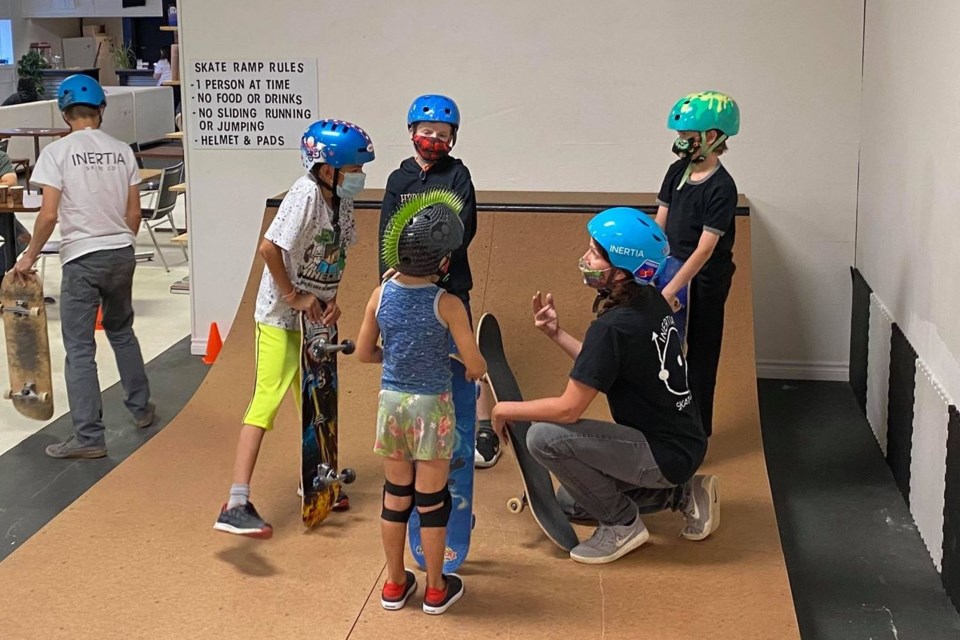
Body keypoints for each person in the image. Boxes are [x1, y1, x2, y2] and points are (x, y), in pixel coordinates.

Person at [490, 207, 718, 565]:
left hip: (660, 453)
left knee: (542, 438)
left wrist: (504, 409)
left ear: (624, 269)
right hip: (683, 443)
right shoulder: (652, 302)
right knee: (570, 502)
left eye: (596, 253)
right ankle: (680, 492)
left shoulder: (614, 326)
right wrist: (556, 333)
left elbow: (569, 408)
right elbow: (601, 364)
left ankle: (622, 525)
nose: (585, 258)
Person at [213, 119, 375, 539]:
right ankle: (235, 502)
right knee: (266, 399)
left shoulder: (341, 201)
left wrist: (329, 299)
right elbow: (269, 248)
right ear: (326, 169)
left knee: (313, 403)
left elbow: (333, 254)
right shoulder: (304, 194)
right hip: (280, 317)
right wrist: (293, 296)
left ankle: (318, 479)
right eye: (353, 170)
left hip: (313, 317)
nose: (359, 178)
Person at [11, 74, 154, 458]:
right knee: (122, 331)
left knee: (79, 349)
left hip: (82, 258)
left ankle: (89, 438)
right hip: (122, 253)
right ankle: (141, 410)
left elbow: (48, 215)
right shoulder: (122, 150)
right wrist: (121, 243)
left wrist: (29, 255)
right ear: (101, 110)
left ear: (64, 112)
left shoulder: (57, 154)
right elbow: (134, 212)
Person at [358, 188, 486, 614]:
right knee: (432, 502)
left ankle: (394, 585)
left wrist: (390, 356)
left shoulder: (380, 295)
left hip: (392, 404)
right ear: (443, 261)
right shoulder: (447, 304)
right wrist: (473, 366)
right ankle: (435, 588)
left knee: (396, 496)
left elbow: (363, 353)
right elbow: (475, 364)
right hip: (432, 410)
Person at [377, 94, 500, 469]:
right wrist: (387, 284)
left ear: (453, 138)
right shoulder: (399, 179)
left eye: (442, 134)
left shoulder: (457, 175)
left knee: (465, 352)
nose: (434, 139)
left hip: (448, 283)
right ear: (412, 132)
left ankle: (482, 428)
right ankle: (414, 428)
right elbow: (387, 231)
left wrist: (438, 265)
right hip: (406, 286)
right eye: (427, 131)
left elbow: (464, 224)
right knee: (412, 355)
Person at [654, 91, 740, 438]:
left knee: (700, 354)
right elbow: (659, 223)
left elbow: (705, 250)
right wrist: (650, 271)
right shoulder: (677, 172)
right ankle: (665, 422)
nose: (681, 145)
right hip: (671, 266)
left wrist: (674, 288)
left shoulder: (722, 188)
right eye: (679, 138)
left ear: (715, 137)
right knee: (664, 349)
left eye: (688, 139)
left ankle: (696, 431)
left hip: (704, 278)